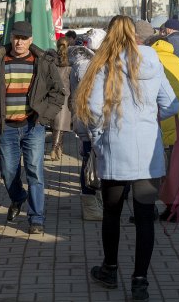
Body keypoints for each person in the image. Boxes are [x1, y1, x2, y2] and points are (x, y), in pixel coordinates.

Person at [75, 16, 178, 300]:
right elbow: (171, 105)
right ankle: (140, 281)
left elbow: (94, 109)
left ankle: (110, 269)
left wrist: (96, 138)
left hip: (114, 149)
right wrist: (148, 118)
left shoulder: (104, 64)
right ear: (135, 35)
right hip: (148, 153)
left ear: (110, 35)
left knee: (112, 213)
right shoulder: (154, 61)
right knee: (145, 218)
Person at [0, 21, 65, 235]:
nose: (19, 42)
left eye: (24, 38)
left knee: (35, 172)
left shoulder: (43, 62)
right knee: (8, 171)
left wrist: (44, 116)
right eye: (16, 37)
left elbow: (58, 92)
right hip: (6, 126)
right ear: (11, 38)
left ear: (31, 40)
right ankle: (18, 198)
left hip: (32, 125)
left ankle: (36, 218)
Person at [136, 20, 179, 223]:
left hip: (168, 118)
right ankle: (173, 209)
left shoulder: (151, 60)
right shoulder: (175, 60)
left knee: (155, 170)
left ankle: (150, 210)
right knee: (177, 169)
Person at [69, 28, 107, 220]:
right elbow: (93, 99)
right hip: (91, 122)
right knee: (91, 162)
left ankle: (94, 201)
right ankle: (90, 205)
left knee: (91, 161)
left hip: (87, 120)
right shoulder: (87, 67)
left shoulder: (83, 64)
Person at [49, 37, 72, 161]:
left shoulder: (51, 61)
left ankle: (59, 148)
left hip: (53, 94)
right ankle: (54, 148)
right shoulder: (70, 62)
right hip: (66, 95)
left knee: (56, 125)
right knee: (61, 125)